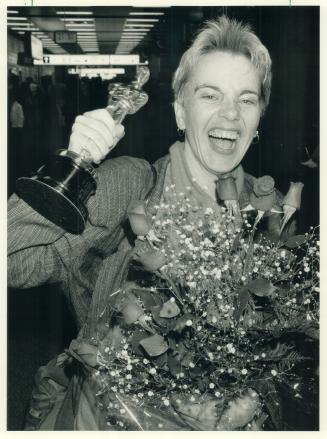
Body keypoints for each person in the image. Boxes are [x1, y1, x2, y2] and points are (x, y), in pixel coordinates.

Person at [8, 16, 284, 430]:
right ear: (180, 109)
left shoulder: (267, 209)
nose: (230, 114)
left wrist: (249, 401)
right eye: (210, 95)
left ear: (259, 116)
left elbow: (278, 341)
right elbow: (13, 261)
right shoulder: (131, 185)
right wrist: (72, 165)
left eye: (246, 99)